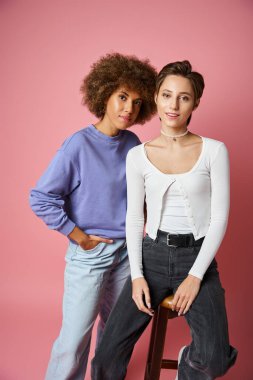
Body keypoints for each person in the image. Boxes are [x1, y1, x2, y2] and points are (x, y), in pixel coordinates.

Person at [91, 60, 238, 380]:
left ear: (195, 103)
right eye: (167, 95)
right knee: (105, 356)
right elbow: (134, 218)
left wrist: (196, 275)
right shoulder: (137, 156)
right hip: (152, 256)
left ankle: (189, 361)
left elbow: (219, 217)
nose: (174, 105)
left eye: (184, 97)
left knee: (213, 360)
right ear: (156, 97)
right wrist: (138, 276)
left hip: (197, 256)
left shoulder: (214, 150)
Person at [29, 52, 157, 380]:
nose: (129, 108)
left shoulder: (133, 144)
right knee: (73, 344)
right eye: (122, 97)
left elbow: (138, 197)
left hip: (128, 254)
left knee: (113, 341)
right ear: (104, 94)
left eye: (138, 102)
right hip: (90, 255)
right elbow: (41, 198)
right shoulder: (78, 145)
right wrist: (79, 236)